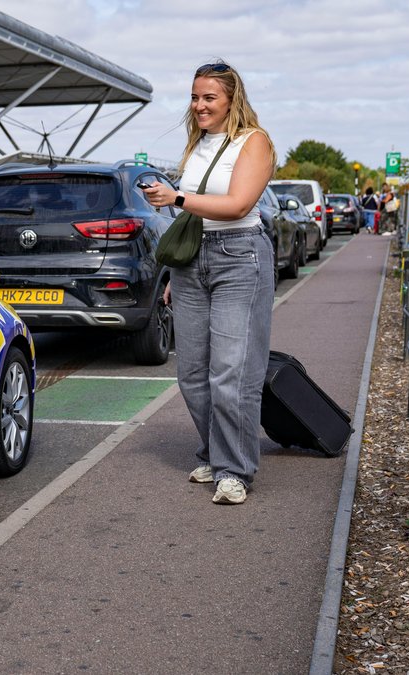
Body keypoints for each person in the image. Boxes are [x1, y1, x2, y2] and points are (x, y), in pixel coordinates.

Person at [142, 60, 275, 505]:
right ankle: (217, 452)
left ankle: (234, 469)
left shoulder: (254, 143)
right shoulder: (197, 144)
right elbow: (194, 216)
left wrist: (176, 196)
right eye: (195, 97)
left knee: (231, 372)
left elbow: (237, 205)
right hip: (191, 263)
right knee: (191, 374)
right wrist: (175, 276)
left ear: (232, 100)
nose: (199, 105)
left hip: (239, 257)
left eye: (209, 97)